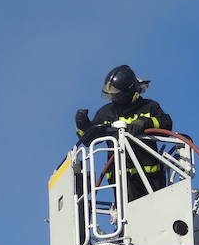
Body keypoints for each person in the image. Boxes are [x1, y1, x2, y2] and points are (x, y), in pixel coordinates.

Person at [74, 65, 173, 201]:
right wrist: (83, 125)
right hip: (122, 179)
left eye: (117, 94)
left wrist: (145, 122)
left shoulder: (150, 106)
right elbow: (88, 139)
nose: (113, 98)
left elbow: (166, 123)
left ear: (129, 92)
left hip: (151, 177)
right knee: (132, 217)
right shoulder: (106, 112)